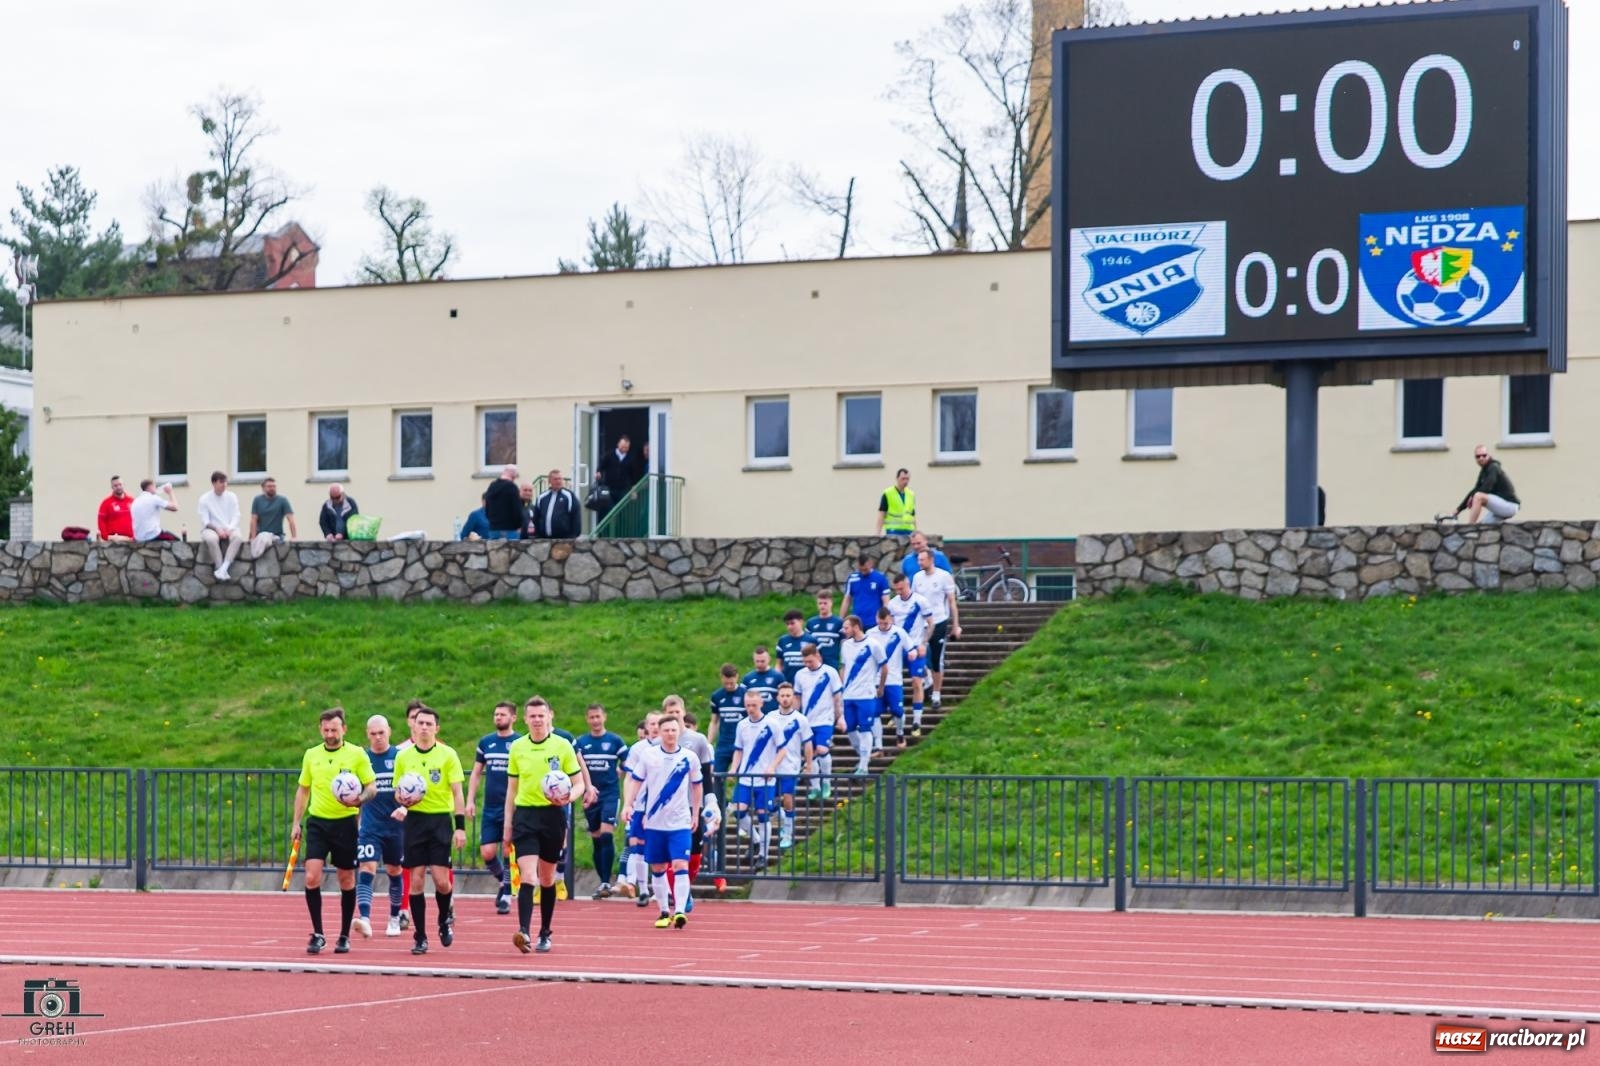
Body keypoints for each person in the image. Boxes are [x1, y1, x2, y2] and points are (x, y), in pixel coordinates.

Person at [504, 698, 591, 954]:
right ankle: (524, 931)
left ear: (550, 716)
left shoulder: (562, 746)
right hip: (526, 817)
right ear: (525, 719)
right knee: (528, 876)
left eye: (541, 715)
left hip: (553, 816)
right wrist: (508, 824)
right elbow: (511, 791)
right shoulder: (517, 747)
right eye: (532, 716)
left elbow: (579, 783)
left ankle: (545, 931)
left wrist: (568, 797)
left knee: (547, 877)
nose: (537, 720)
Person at [291, 708, 377, 955]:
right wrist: (296, 823)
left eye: (334, 730)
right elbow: (303, 789)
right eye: (326, 730)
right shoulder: (311, 755)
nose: (330, 734)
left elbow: (371, 786)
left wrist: (359, 799)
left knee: (346, 879)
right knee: (311, 876)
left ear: (344, 729)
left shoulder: (356, 754)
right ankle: (318, 934)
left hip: (345, 823)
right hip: (318, 822)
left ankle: (344, 935)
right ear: (321, 730)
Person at [390, 706, 467, 956]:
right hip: (415, 822)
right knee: (417, 880)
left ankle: (444, 920)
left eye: (429, 724)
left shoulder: (447, 755)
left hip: (439, 822)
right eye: (420, 723)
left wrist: (460, 828)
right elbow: (397, 790)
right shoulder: (403, 757)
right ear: (413, 726)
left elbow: (457, 793)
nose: (424, 727)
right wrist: (403, 803)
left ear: (436, 728)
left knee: (442, 881)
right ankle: (420, 936)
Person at [622, 714, 702, 929]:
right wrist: (628, 805)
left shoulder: (689, 757)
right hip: (655, 822)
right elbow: (636, 781)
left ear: (679, 731)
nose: (670, 734)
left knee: (680, 865)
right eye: (666, 730)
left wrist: (695, 814)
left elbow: (697, 785)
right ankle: (664, 911)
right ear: (660, 732)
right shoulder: (649, 756)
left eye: (673, 730)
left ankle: (680, 911)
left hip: (680, 822)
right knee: (658, 867)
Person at [466, 702, 522, 915]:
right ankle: (502, 882)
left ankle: (507, 894)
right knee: (487, 852)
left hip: (513, 807)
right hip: (491, 807)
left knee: (508, 848)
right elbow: (476, 773)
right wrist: (470, 800)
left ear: (513, 717)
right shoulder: (486, 742)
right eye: (496, 714)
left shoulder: (520, 742)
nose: (498, 717)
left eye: (502, 714)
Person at [354, 714, 406, 938]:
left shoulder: (400, 757)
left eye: (381, 733)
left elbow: (414, 789)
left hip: (396, 826)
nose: (377, 738)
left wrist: (406, 808)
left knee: (395, 870)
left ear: (389, 732)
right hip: (370, 827)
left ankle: (395, 917)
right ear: (367, 734)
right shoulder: (362, 759)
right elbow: (355, 793)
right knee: (367, 868)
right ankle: (364, 918)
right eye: (373, 734)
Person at [574, 703, 627, 898]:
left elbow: (628, 761)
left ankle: (606, 881)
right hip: (591, 795)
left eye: (598, 716)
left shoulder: (614, 741)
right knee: (596, 838)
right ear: (587, 719)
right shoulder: (581, 742)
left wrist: (622, 770)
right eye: (592, 717)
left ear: (604, 717)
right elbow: (575, 766)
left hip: (610, 794)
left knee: (606, 835)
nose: (595, 720)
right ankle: (602, 881)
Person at [663, 698, 715, 888]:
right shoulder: (658, 743)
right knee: (672, 855)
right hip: (668, 807)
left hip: (692, 804)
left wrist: (711, 801)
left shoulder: (697, 740)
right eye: (670, 712)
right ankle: (675, 895)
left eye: (677, 711)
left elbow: (706, 774)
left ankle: (685, 887)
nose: (674, 716)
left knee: (694, 853)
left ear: (683, 712)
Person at [617, 711, 662, 904]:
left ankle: (663, 892)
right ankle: (642, 889)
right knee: (637, 845)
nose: (653, 727)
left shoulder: (668, 747)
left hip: (662, 806)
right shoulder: (637, 749)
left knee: (661, 849)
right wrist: (629, 802)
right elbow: (629, 778)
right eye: (650, 723)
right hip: (641, 804)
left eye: (657, 723)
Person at [727, 689, 776, 869]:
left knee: (763, 815)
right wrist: (734, 768)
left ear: (761, 704)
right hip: (746, 777)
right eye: (747, 705)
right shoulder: (742, 725)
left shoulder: (772, 724)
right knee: (738, 811)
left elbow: (782, 749)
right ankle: (755, 839)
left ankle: (764, 853)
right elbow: (739, 749)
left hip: (765, 779)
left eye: (754, 705)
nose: (750, 709)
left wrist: (772, 767)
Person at [765, 683, 814, 849]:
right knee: (768, 803)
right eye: (783, 696)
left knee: (787, 800)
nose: (785, 699)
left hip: (790, 767)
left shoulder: (800, 719)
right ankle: (783, 819)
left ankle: (787, 834)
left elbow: (807, 744)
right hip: (772, 766)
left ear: (793, 697)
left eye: (788, 695)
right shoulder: (770, 717)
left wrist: (809, 764)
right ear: (778, 697)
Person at [838, 614, 887, 774]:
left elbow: (884, 666)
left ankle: (864, 766)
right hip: (848, 695)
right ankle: (863, 757)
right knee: (850, 729)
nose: (844, 631)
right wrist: (840, 687)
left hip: (866, 695)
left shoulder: (873, 645)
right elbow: (844, 667)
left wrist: (880, 687)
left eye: (846, 627)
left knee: (865, 728)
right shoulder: (845, 645)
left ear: (856, 627)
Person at [912, 548, 961, 708]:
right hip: (922, 623)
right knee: (918, 656)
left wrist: (955, 625)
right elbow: (913, 602)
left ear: (931, 560)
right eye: (918, 560)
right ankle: (927, 679)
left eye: (922, 560)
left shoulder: (944, 576)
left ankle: (936, 695)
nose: (920, 563)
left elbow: (952, 602)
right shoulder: (917, 577)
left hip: (939, 621)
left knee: (937, 659)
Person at [794, 643, 843, 800]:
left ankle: (827, 783)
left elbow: (837, 697)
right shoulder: (800, 675)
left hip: (825, 719)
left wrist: (840, 716)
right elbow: (797, 698)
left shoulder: (830, 672)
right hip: (807, 721)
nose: (808, 665)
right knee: (810, 755)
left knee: (822, 749)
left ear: (818, 656)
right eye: (805, 662)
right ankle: (815, 787)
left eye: (810, 661)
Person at [887, 572, 933, 736]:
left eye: (901, 588)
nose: (899, 592)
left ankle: (916, 721)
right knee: (893, 682)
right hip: (899, 648)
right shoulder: (892, 604)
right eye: (896, 589)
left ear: (907, 584)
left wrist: (924, 643)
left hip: (915, 645)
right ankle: (896, 713)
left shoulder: (920, 601)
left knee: (915, 682)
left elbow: (930, 623)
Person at [870, 607, 918, 748]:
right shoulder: (870, 634)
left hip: (894, 679)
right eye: (880, 623)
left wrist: (912, 654)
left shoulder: (899, 633)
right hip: (876, 680)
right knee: (875, 713)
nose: (883, 626)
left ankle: (900, 732)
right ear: (876, 619)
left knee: (898, 711)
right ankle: (878, 744)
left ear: (890, 619)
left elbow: (911, 648)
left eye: (885, 623)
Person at [1452, 446, 1521, 525]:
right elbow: (1475, 490)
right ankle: (1473, 530)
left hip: (1510, 505)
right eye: (1478, 456)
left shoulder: (1493, 467)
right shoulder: (1484, 471)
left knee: (1478, 497)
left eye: (1484, 455)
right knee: (1481, 527)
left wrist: (1473, 498)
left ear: (1489, 456)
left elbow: (1487, 487)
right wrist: (1458, 509)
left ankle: (1470, 526)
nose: (1481, 458)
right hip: (1500, 508)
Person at [197, 470, 243, 581]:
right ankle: (219, 567)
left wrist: (229, 529)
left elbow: (236, 515)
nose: (224, 485)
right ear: (214, 483)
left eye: (226, 482)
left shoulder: (232, 496)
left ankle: (224, 568)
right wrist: (217, 529)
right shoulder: (204, 499)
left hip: (229, 527)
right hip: (211, 528)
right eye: (221, 482)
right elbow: (205, 521)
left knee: (238, 538)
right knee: (212, 539)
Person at [705, 663, 747, 776]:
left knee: (743, 776)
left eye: (731, 683)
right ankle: (718, 794)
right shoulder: (717, 696)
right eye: (726, 683)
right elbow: (714, 721)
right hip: (723, 743)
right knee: (717, 775)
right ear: (721, 678)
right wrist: (709, 742)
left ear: (737, 677)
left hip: (742, 743)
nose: (729, 686)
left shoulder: (745, 694)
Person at [249, 476, 297, 559]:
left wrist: (294, 537)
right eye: (269, 486)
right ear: (263, 488)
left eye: (274, 486)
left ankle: (255, 554)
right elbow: (253, 520)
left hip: (277, 535)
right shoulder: (257, 500)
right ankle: (256, 554)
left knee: (265, 538)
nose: (272, 488)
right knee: (263, 537)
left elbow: (291, 520)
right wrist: (252, 538)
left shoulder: (282, 500)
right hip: (261, 534)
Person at [595, 435, 638, 520]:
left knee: (622, 511)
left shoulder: (630, 458)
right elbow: (601, 466)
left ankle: (618, 531)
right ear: (618, 444)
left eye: (626, 447)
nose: (624, 449)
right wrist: (598, 472)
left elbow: (633, 475)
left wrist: (634, 488)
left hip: (622, 489)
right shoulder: (609, 455)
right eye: (623, 446)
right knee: (608, 510)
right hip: (609, 488)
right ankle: (606, 532)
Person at [840, 554, 892, 622]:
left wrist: (884, 619)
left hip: (874, 622)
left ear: (871, 564)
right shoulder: (852, 578)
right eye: (861, 569)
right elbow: (847, 600)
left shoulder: (880, 578)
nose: (863, 572)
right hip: (856, 622)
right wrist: (840, 619)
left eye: (865, 569)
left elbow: (886, 602)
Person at [532, 468, 582, 539]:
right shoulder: (542, 497)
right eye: (555, 479)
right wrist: (537, 534)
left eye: (560, 479)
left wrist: (573, 535)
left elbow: (576, 516)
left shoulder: (569, 496)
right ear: (550, 481)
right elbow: (536, 517)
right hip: (544, 539)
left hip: (564, 539)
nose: (558, 481)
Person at [805, 591, 845, 672]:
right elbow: (807, 645)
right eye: (820, 603)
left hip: (833, 664)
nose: (822, 606)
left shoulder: (838, 622)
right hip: (815, 664)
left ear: (831, 603)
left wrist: (843, 663)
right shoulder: (811, 623)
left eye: (825, 603)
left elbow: (844, 644)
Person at [741, 647, 785, 715]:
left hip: (774, 718)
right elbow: (742, 700)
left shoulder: (778, 676)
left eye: (762, 661)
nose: (760, 664)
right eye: (757, 661)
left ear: (769, 659)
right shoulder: (747, 679)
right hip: (754, 719)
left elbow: (784, 697)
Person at [876, 467, 916, 537]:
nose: (905, 481)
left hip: (909, 531)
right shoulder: (888, 493)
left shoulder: (911, 494)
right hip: (893, 531)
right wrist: (878, 533)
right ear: (897, 478)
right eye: (903, 479)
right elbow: (881, 514)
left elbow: (913, 515)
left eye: (907, 479)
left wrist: (916, 531)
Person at [97, 475, 135, 542]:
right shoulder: (106, 503)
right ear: (112, 487)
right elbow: (101, 521)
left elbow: (138, 518)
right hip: (114, 541)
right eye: (115, 485)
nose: (118, 487)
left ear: (124, 485)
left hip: (131, 541)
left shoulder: (132, 501)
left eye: (120, 484)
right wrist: (106, 537)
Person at [776, 610, 809, 683]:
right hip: (788, 684)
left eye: (792, 623)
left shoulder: (811, 640)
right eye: (787, 624)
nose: (789, 627)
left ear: (801, 622)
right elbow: (779, 664)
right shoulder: (782, 641)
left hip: (806, 683)